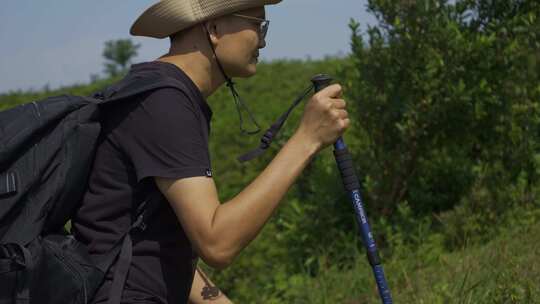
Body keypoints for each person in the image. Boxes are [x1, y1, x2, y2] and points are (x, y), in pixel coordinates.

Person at [72, 0, 350, 303]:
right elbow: (217, 243)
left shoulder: (158, 93)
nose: (264, 40)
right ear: (214, 28)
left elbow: (156, 245)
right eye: (258, 24)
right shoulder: (164, 103)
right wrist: (307, 139)